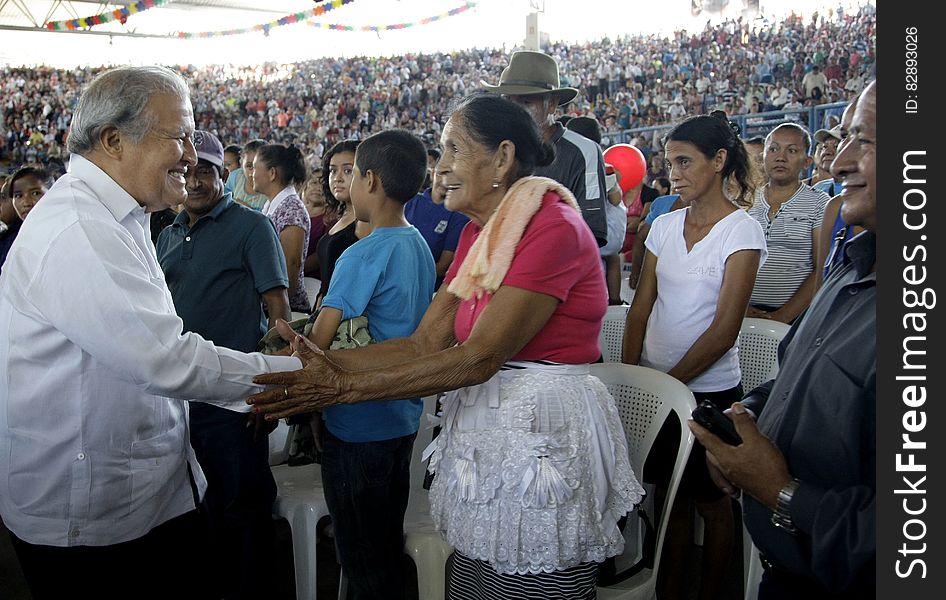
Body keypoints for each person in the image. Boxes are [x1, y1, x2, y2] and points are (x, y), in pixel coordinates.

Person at [248, 93, 644, 600]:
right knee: (476, 578)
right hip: (491, 425)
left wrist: (343, 386)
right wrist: (320, 366)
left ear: (502, 157)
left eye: (454, 151)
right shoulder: (486, 235)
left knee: (531, 583)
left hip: (539, 436)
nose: (440, 171)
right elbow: (424, 343)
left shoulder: (552, 227)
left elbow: (479, 356)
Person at [0, 65, 302, 600]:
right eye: (180, 136)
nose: (192, 154)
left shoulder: (121, 215)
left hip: (145, 495)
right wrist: (298, 376)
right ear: (114, 140)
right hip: (94, 520)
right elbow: (166, 358)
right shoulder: (80, 228)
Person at [690, 80, 877, 600]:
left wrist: (779, 491)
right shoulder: (854, 265)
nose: (839, 162)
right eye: (844, 136)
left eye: (865, 139)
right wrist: (742, 421)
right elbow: (795, 372)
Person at [622, 113, 766, 600]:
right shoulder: (663, 226)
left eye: (685, 161)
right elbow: (640, 306)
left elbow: (724, 331)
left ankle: (712, 591)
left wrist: (668, 385)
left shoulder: (741, 231)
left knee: (711, 501)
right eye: (670, 162)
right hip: (660, 386)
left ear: (719, 161)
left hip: (710, 394)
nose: (674, 172)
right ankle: (669, 589)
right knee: (669, 499)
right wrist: (633, 376)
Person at [298, 129, 435, 599]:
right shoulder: (417, 244)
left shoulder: (363, 252)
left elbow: (319, 341)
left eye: (351, 174)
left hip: (356, 423)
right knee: (383, 545)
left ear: (370, 180)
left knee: (359, 555)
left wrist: (313, 407)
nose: (348, 185)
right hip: (400, 417)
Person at [155, 130, 291, 599]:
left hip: (235, 395)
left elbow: (278, 307)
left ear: (223, 175)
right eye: (185, 171)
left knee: (244, 505)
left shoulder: (252, 226)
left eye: (205, 170)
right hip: (179, 396)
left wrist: (271, 390)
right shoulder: (166, 235)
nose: (194, 181)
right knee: (196, 507)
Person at [482, 50, 610, 249]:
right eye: (508, 101)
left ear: (551, 104)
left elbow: (590, 234)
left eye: (526, 102)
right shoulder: (495, 151)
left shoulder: (584, 152)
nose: (515, 110)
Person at [747, 124, 830, 324]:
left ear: (807, 162)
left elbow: (821, 269)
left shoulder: (820, 203)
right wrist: (739, 308)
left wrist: (782, 316)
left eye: (792, 151)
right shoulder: (744, 201)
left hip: (795, 320)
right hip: (741, 315)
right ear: (763, 157)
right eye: (773, 149)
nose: (780, 157)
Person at [252, 143, 311, 313]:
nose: (251, 174)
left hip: (286, 310)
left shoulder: (291, 210)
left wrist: (277, 312)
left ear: (272, 173)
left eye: (255, 168)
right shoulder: (273, 205)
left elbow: (290, 268)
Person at [313, 139, 370, 309]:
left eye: (347, 170)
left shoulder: (366, 222)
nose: (337, 178)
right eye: (332, 171)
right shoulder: (342, 217)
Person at [404, 147, 470, 289]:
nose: (446, 181)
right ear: (433, 173)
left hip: (427, 289)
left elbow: (443, 266)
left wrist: (406, 276)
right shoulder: (410, 200)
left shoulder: (458, 216)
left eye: (453, 176)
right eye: (442, 174)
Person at [230, 138, 269, 211]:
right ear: (241, 164)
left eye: (260, 167)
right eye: (249, 166)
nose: (254, 174)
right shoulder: (235, 177)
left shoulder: (272, 189)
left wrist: (243, 208)